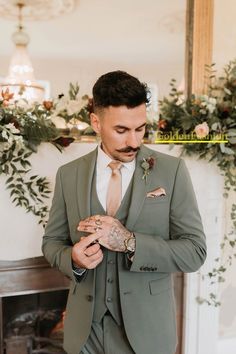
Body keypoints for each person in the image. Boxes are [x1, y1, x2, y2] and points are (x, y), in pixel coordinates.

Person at [42, 70, 206, 354]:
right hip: (85, 334)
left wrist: (130, 241)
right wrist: (74, 259)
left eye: (140, 128)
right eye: (121, 130)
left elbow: (195, 252)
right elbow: (52, 243)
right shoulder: (68, 175)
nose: (134, 141)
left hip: (146, 335)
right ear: (96, 121)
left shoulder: (172, 172)